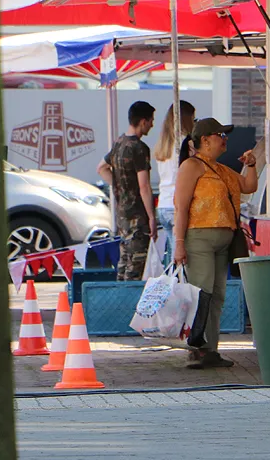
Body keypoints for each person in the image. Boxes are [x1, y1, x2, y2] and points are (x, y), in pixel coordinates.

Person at [172, 118, 258, 369]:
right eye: (221, 134)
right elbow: (181, 207)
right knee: (203, 293)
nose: (226, 138)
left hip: (223, 241)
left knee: (217, 295)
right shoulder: (192, 166)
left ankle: (211, 348)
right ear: (205, 140)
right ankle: (197, 348)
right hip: (199, 237)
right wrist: (179, 242)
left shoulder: (220, 169)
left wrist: (251, 164)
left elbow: (249, 186)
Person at [97, 101, 157, 281]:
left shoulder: (119, 143)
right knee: (136, 268)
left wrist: (118, 187)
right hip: (138, 217)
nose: (152, 124)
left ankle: (119, 303)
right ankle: (131, 307)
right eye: (151, 120)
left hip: (122, 215)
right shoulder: (139, 148)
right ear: (143, 121)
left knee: (123, 264)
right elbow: (144, 186)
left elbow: (101, 168)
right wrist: (152, 217)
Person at [152, 101, 195, 266]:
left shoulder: (163, 144)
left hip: (163, 204)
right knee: (183, 260)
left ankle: (173, 288)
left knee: (173, 257)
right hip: (178, 205)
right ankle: (180, 291)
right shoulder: (184, 144)